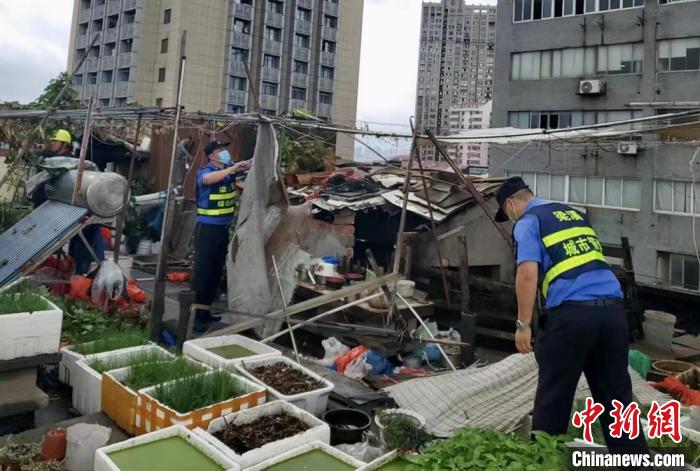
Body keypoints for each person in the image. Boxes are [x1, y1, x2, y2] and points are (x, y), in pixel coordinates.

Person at [495, 176, 647, 454]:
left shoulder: (528, 222)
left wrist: (522, 325)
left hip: (572, 317)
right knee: (617, 401)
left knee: (553, 399)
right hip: (613, 314)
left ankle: (544, 461)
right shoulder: (574, 215)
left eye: (507, 214)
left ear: (510, 204)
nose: (510, 218)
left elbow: (527, 274)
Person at [192, 140, 248, 333]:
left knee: (215, 274)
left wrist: (244, 169)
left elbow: (242, 185)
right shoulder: (204, 173)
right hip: (207, 231)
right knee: (203, 274)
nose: (225, 152)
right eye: (220, 150)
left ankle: (205, 312)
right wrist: (231, 168)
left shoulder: (228, 176)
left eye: (225, 149)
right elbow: (208, 180)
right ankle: (195, 317)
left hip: (222, 230)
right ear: (211, 156)